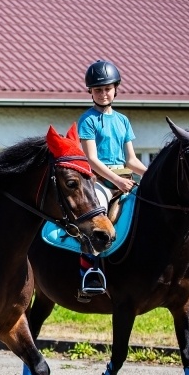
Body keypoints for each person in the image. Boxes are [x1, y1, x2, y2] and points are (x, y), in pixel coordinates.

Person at [76, 59, 147, 301]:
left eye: (107, 89)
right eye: (98, 90)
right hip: (100, 181)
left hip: (124, 179)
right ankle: (90, 272)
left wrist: (151, 176)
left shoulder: (123, 120)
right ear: (91, 92)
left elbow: (131, 160)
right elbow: (92, 160)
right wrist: (116, 181)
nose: (103, 94)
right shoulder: (88, 120)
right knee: (97, 217)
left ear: (116, 88)